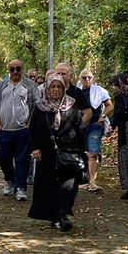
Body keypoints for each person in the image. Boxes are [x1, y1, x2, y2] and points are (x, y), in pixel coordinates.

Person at [27, 74, 86, 232]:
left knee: (68, 186)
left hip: (68, 152)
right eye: (53, 86)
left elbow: (79, 127)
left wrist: (82, 151)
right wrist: (35, 148)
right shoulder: (40, 106)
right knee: (49, 186)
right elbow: (32, 130)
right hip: (46, 154)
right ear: (47, 88)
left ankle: (63, 215)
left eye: (59, 87)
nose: (56, 90)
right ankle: (56, 217)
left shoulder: (71, 105)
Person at [0, 59, 39, 202]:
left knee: (22, 159)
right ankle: (9, 179)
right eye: (12, 69)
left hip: (23, 129)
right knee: (3, 157)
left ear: (22, 69)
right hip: (4, 130)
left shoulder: (29, 85)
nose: (15, 72)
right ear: (8, 70)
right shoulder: (1, 85)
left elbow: (36, 105)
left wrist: (30, 125)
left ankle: (20, 187)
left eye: (18, 69)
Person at [77, 69, 113, 192]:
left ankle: (92, 181)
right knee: (82, 152)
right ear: (80, 79)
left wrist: (103, 116)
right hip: (80, 125)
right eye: (84, 77)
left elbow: (110, 105)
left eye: (89, 77)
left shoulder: (100, 91)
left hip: (95, 125)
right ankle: (84, 179)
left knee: (93, 153)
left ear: (93, 79)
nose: (87, 80)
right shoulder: (76, 91)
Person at [54, 62, 92, 128]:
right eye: (58, 73)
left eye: (63, 74)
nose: (60, 76)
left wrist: (78, 128)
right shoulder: (48, 92)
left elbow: (88, 113)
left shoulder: (77, 92)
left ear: (70, 76)